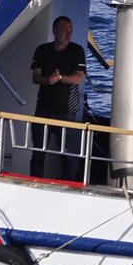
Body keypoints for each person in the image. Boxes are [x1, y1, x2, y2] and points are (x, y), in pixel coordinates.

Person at [29, 15, 87, 179]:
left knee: (67, 155)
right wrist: (48, 80)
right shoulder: (42, 50)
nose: (68, 34)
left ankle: (68, 186)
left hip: (66, 111)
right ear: (55, 31)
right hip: (43, 109)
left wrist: (60, 78)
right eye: (65, 30)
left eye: (71, 30)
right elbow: (35, 77)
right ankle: (35, 183)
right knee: (38, 153)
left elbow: (78, 78)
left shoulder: (77, 51)